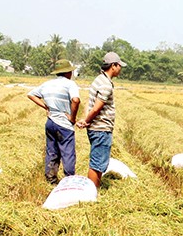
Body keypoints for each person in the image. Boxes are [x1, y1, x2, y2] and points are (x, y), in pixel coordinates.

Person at [76, 52, 126, 188]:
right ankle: (91, 192)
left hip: (95, 128)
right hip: (101, 129)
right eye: (119, 65)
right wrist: (86, 120)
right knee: (97, 163)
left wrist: (86, 120)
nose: (120, 68)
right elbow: (96, 108)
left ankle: (93, 190)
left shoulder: (98, 79)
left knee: (97, 161)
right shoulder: (106, 85)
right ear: (113, 66)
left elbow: (89, 103)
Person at [27, 59, 80, 184]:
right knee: (67, 153)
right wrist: (72, 118)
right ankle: (69, 180)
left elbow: (31, 94)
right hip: (64, 124)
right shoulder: (70, 84)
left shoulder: (47, 84)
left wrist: (46, 107)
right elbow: (76, 100)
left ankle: (51, 179)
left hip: (50, 122)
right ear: (68, 73)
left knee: (52, 151)